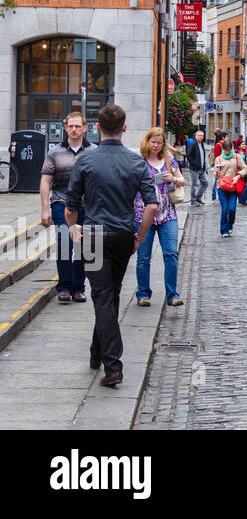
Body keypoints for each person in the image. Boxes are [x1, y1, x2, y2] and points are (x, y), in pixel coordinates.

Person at [64, 104, 158, 387]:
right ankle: (97, 353)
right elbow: (152, 206)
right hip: (122, 235)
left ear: (97, 128)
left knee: (103, 296)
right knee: (110, 294)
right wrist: (139, 237)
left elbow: (71, 206)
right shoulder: (136, 162)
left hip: (92, 235)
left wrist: (71, 227)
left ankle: (113, 366)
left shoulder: (86, 161)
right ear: (125, 128)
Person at [39, 111, 95, 303]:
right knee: (65, 245)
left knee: (82, 248)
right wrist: (45, 209)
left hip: (86, 207)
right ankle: (64, 287)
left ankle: (79, 288)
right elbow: (46, 180)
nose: (73, 129)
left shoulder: (94, 152)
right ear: (65, 128)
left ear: (85, 128)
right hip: (61, 204)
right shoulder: (54, 152)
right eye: (70, 126)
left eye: (77, 126)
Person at [134, 127, 185, 307]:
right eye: (153, 142)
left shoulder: (169, 159)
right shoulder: (138, 160)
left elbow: (182, 180)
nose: (156, 145)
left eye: (159, 143)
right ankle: (143, 293)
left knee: (171, 254)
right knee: (143, 256)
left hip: (167, 213)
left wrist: (172, 178)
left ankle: (172, 294)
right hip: (143, 214)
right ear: (147, 142)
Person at [211, 138, 247, 238]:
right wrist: (215, 172)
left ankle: (230, 224)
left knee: (232, 209)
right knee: (224, 209)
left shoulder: (237, 157)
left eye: (229, 151)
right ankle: (224, 231)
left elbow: (245, 169)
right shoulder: (218, 159)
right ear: (223, 149)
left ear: (231, 149)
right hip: (222, 186)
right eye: (225, 151)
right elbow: (217, 172)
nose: (227, 153)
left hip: (233, 186)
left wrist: (238, 176)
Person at [185, 128, 208, 205]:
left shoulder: (201, 144)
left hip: (202, 169)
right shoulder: (193, 144)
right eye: (199, 135)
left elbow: (203, 156)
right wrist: (194, 163)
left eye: (202, 135)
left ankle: (198, 197)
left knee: (205, 183)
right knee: (194, 185)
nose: (201, 137)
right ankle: (193, 200)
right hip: (194, 169)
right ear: (195, 136)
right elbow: (188, 155)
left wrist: (205, 167)